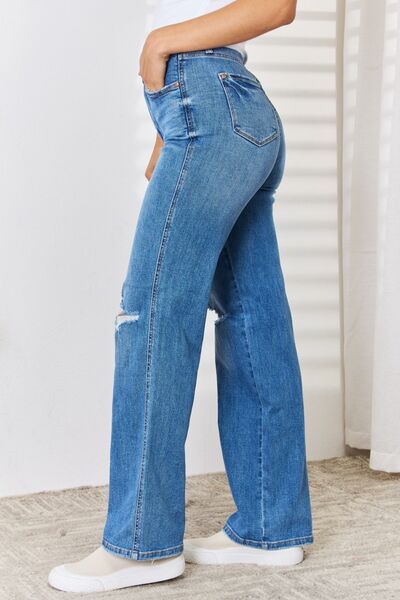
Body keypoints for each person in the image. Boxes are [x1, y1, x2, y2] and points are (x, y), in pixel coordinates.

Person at [48, 0, 314, 593]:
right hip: (225, 108)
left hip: (209, 105)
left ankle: (141, 543)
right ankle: (270, 527)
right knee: (254, 319)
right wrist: (166, 126)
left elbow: (276, 5)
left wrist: (160, 43)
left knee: (152, 317)